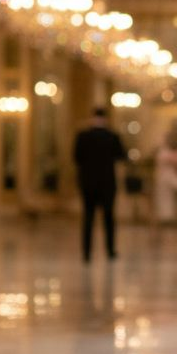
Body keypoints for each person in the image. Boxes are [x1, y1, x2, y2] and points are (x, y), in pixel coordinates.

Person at [73, 108, 127, 261]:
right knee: (108, 218)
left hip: (88, 183)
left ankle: (87, 252)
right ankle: (110, 251)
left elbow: (76, 157)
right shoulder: (112, 136)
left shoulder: (83, 136)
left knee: (89, 217)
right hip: (106, 183)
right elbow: (122, 155)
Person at [152, 127, 177, 228]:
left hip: (171, 178)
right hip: (164, 179)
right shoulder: (163, 152)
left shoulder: (171, 152)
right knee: (164, 201)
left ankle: (170, 218)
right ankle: (166, 219)